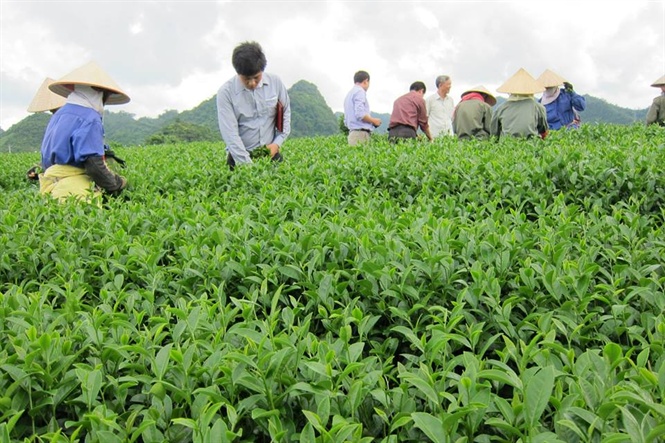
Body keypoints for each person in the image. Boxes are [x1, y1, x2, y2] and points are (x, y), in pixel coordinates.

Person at [39, 61, 129, 201]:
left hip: (50, 186)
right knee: (84, 221)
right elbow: (94, 165)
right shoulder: (90, 118)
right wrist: (116, 183)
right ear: (99, 93)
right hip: (74, 191)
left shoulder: (59, 114)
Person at [216, 41, 290, 169]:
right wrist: (248, 167)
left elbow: (285, 114)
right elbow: (230, 133)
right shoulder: (226, 93)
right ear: (238, 73)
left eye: (256, 77)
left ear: (262, 69)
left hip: (270, 154)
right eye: (246, 79)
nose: (252, 83)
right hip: (238, 159)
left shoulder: (275, 83)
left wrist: (276, 144)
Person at [26, 77, 68, 181]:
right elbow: (53, 156)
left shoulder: (69, 122)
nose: (51, 111)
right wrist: (39, 169)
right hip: (55, 178)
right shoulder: (54, 123)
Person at [491, 68, 548, 140]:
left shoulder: (501, 108)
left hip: (507, 146)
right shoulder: (538, 107)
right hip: (532, 146)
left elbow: (494, 134)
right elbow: (544, 131)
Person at [343, 70, 382, 146]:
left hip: (352, 134)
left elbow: (346, 120)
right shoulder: (360, 91)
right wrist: (374, 121)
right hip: (360, 134)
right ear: (366, 81)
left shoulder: (349, 94)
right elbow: (360, 114)